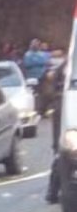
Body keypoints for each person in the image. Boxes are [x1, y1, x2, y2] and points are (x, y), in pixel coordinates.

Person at [46, 61, 66, 203]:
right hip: (65, 110)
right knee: (61, 153)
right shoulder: (68, 66)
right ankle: (52, 191)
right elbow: (52, 90)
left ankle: (53, 191)